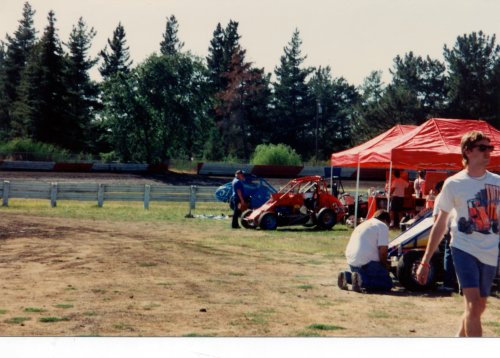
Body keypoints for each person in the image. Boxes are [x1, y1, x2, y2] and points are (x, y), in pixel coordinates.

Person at [416, 130, 500, 337]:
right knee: (473, 305)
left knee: (479, 307)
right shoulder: (454, 184)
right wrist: (425, 261)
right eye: (483, 148)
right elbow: (440, 223)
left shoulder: (498, 182)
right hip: (463, 248)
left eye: (490, 148)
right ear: (468, 151)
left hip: (490, 250)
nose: (488, 152)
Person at [337, 209, 393, 293]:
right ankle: (362, 282)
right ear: (385, 221)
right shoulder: (382, 226)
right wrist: (385, 265)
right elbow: (383, 251)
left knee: (361, 273)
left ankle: (346, 276)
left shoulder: (363, 224)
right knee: (387, 283)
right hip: (367, 262)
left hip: (352, 260)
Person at [432, 180, 457, 292]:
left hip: (449, 229)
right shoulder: (455, 194)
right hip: (461, 227)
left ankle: (448, 284)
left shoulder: (440, 197)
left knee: (449, 255)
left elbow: (436, 218)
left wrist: (437, 233)